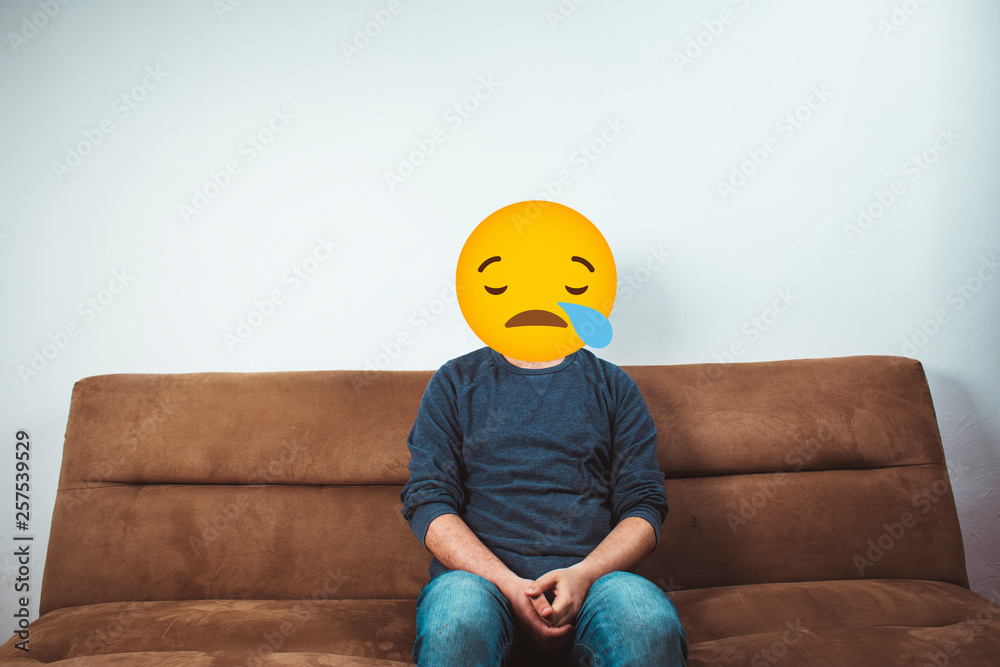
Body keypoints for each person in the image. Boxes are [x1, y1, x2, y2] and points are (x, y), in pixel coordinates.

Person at [399, 345, 688, 665]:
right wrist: (509, 586)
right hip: (480, 585)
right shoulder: (455, 380)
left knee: (648, 625)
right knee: (455, 626)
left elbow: (643, 504)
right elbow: (428, 500)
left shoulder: (612, 384)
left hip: (595, 586)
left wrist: (584, 576)